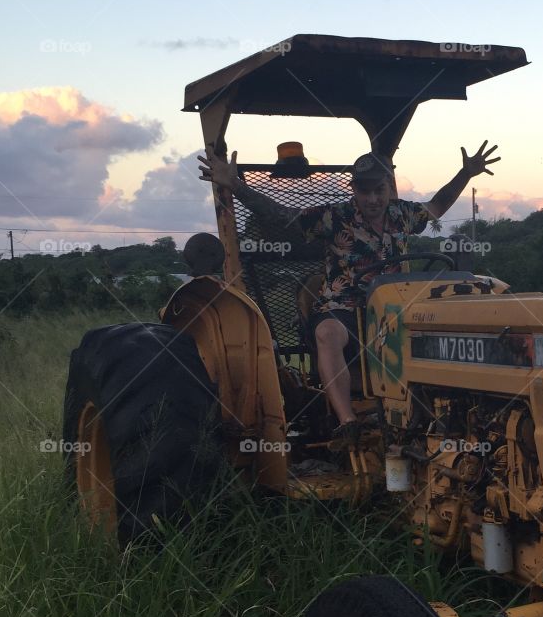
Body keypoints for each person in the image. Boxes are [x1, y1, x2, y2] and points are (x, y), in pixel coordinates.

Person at [197, 140, 500, 442]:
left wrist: (465, 174)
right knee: (327, 333)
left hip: (394, 311)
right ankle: (349, 424)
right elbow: (284, 218)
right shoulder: (335, 216)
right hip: (344, 309)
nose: (372, 199)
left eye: (378, 190)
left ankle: (456, 421)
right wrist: (235, 185)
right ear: (354, 189)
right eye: (364, 191)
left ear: (388, 186)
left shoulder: (402, 214)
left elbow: (436, 206)